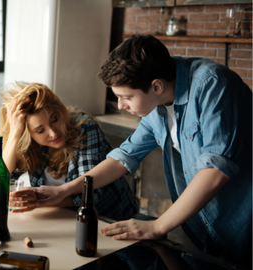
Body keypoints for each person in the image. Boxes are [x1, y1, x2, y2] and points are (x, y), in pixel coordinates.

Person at [30, 35, 252, 267]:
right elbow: (123, 158)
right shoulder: (157, 103)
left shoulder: (213, 84)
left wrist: (158, 225)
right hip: (208, 225)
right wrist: (64, 190)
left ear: (156, 86)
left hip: (244, 219)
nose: (120, 106)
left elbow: (216, 168)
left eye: (126, 97)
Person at [0, 81, 137, 221]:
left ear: (60, 111)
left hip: (110, 218)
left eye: (55, 119)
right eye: (40, 130)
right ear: (27, 135)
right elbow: (0, 179)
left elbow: (91, 194)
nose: (53, 133)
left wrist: (39, 201)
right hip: (65, 218)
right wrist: (15, 134)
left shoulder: (85, 128)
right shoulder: (29, 144)